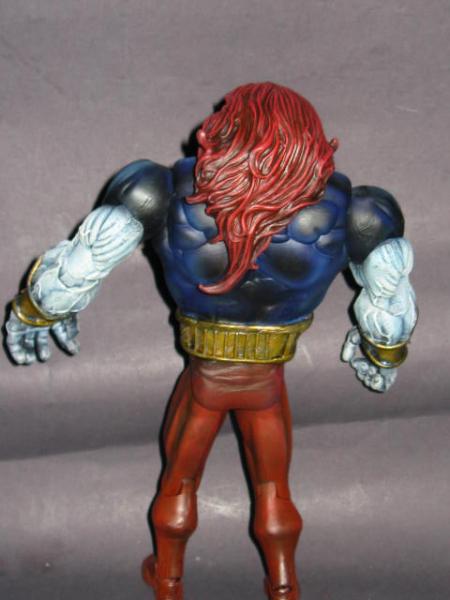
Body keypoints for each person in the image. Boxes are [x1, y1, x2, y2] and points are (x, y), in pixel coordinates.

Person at [5, 82, 417, 600]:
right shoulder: (359, 212)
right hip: (267, 381)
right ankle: (284, 586)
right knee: (275, 490)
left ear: (222, 130)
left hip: (205, 377)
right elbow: (390, 307)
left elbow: (80, 268)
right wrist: (382, 353)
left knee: (179, 482)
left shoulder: (156, 190)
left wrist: (36, 310)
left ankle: (169, 581)